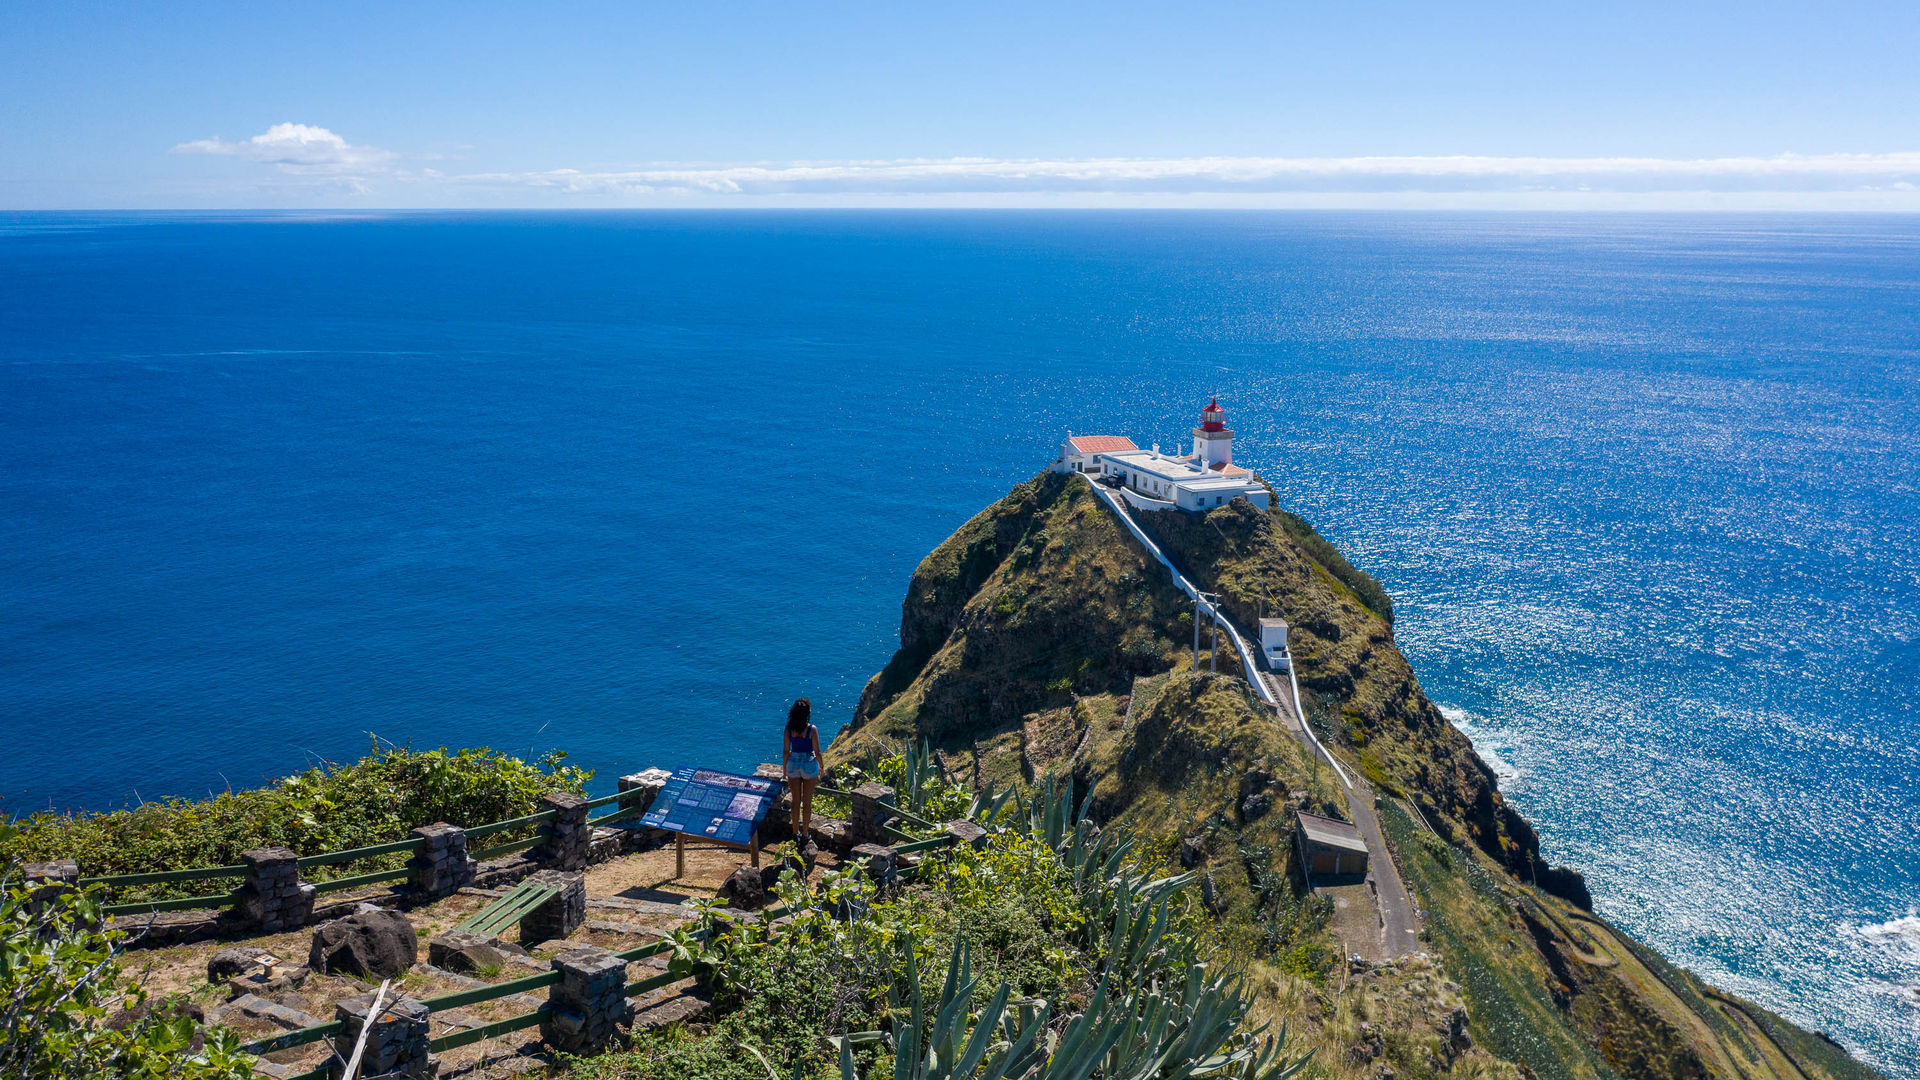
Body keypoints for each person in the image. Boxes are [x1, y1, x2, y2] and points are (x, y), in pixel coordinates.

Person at [782, 698, 821, 839]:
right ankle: (805, 833)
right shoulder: (812, 729)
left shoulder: (788, 729)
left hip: (793, 764)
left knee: (795, 801)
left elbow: (786, 751)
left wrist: (784, 769)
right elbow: (817, 751)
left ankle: (795, 832)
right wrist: (821, 767)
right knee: (807, 802)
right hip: (809, 765)